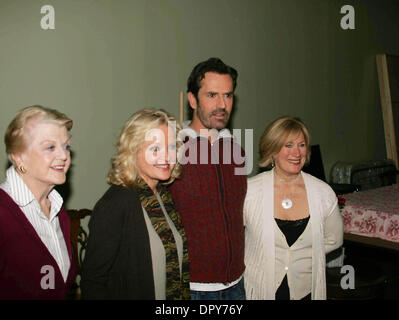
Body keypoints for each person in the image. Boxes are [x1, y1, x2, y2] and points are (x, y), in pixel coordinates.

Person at [80, 109, 190, 300]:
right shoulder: (114, 204)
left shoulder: (164, 197)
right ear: (133, 151)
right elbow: (93, 282)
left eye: (171, 147)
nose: (166, 157)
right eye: (155, 149)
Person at [169, 57, 247, 300]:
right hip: (193, 288)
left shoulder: (236, 150)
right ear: (192, 99)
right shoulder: (173, 151)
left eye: (228, 95)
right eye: (212, 95)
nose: (222, 104)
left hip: (237, 283)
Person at [244, 116, 343, 300]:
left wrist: (305, 254)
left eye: (302, 145)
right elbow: (233, 239)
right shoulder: (249, 192)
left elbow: (334, 239)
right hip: (259, 290)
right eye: (288, 145)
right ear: (272, 150)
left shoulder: (323, 193)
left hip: (307, 291)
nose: (297, 153)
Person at [0, 105, 77, 299]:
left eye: (66, 146)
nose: (63, 156)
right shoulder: (3, 215)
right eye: (50, 147)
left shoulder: (58, 211)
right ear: (19, 158)